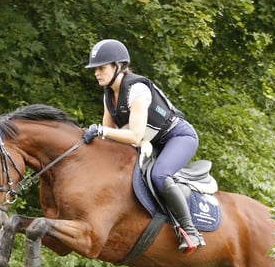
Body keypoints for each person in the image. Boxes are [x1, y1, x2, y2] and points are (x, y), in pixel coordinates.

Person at [82, 39, 205, 254]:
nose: (96, 73)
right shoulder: (108, 94)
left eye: (101, 68)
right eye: (95, 69)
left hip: (178, 136)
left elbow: (135, 136)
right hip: (153, 142)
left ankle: (190, 230)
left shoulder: (137, 90)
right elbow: (109, 137)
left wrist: (101, 131)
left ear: (118, 66)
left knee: (159, 175)